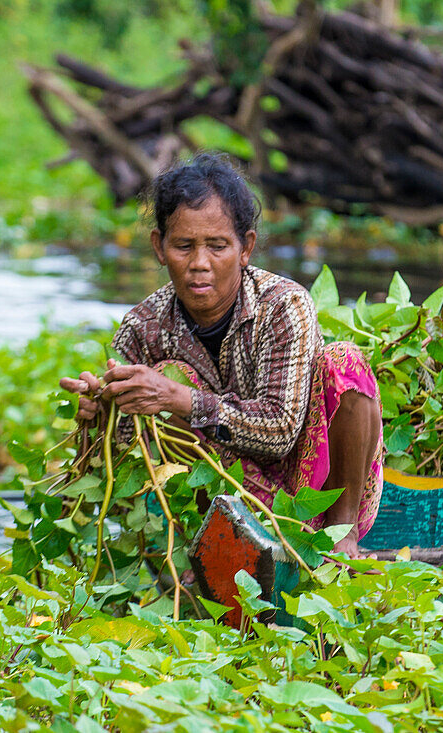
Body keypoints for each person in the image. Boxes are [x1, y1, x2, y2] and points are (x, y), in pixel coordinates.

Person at [59, 153, 383, 557]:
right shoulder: (142, 328)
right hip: (219, 498)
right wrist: (100, 413)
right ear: (159, 248)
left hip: (308, 489)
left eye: (217, 246)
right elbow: (123, 455)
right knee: (164, 375)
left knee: (344, 362)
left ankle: (343, 536)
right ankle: (209, 547)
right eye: (183, 246)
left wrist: (184, 400)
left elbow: (282, 432)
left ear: (245, 247)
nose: (200, 264)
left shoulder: (284, 306)